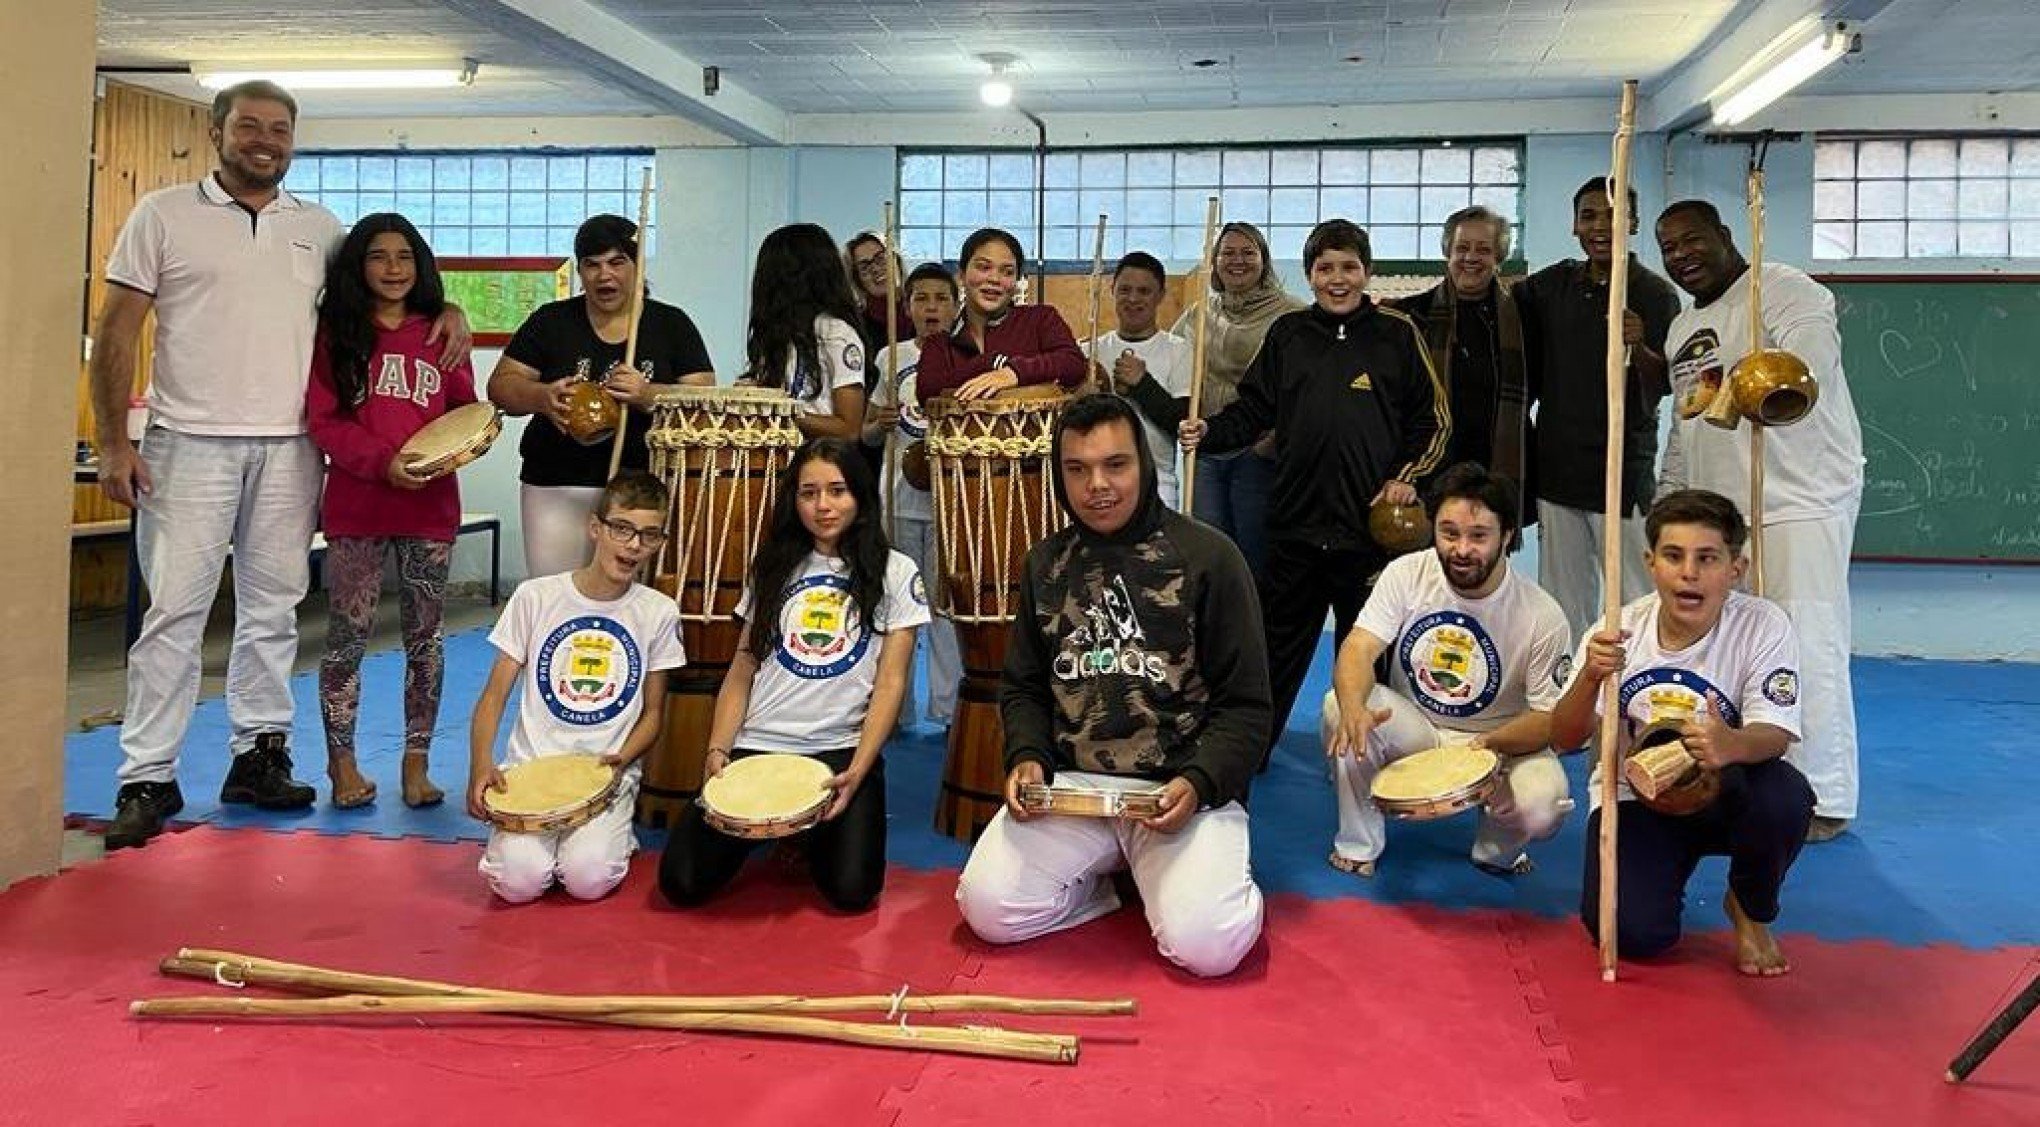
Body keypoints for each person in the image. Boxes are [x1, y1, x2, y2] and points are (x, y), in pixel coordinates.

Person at [90, 80, 470, 849]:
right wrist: (111, 441)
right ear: (216, 131)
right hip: (187, 441)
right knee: (175, 612)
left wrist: (448, 309)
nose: (264, 140)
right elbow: (118, 328)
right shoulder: (162, 214)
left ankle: (258, 753)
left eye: (279, 129)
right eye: (250, 127)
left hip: (292, 444)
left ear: (293, 140)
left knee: (273, 609)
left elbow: (382, 289)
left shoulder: (321, 228)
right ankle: (147, 774)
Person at [956, 394, 1270, 977]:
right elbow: (1022, 686)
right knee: (987, 910)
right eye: (1076, 469)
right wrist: (1025, 755)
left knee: (1208, 948)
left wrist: (1200, 782)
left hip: (1178, 786)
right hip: (1075, 787)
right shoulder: (1045, 563)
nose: (1096, 485)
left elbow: (1248, 709)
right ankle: (1099, 889)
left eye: (1115, 465)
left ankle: (1213, 876)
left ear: (1145, 464)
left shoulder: (1210, 558)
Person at [1180, 219, 1449, 763]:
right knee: (1276, 650)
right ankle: (1251, 751)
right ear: (1309, 275)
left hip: (1367, 535)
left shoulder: (1397, 334)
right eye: (1325, 268)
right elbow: (1254, 407)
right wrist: (1209, 431)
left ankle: (1365, 753)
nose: (1338, 279)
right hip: (1295, 528)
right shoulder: (1289, 335)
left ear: (1367, 272)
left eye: (1349, 267)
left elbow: (1435, 422)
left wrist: (1407, 477)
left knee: (1368, 655)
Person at [1656, 200, 1863, 842]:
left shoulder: (1783, 289)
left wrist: (1747, 385)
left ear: (1725, 235)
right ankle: (1753, 783)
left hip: (1799, 499)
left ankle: (1823, 796)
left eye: (1693, 239)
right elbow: (1685, 425)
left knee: (1807, 639)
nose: (1681, 254)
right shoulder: (1682, 328)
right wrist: (1671, 497)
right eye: (1667, 247)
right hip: (1726, 511)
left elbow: (1807, 368)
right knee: (1740, 649)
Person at [1551, 489, 1814, 976]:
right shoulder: (1616, 629)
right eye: (1673, 556)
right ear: (1651, 563)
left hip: (1727, 791)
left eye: (1707, 558)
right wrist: (1590, 678)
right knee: (1633, 936)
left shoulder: (1763, 624)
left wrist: (1729, 744)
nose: (1688, 572)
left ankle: (1750, 907)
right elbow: (1564, 739)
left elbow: (1776, 734)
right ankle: (1661, 874)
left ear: (1736, 568)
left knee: (1786, 798)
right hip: (1639, 799)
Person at [659, 439, 925, 911]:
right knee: (681, 882)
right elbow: (743, 667)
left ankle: (801, 833)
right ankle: (788, 829)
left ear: (861, 495)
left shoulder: (896, 571)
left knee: (852, 892)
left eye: (838, 491)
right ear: (794, 499)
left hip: (838, 750)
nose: (823, 505)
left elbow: (890, 683)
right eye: (809, 493)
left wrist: (859, 768)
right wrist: (719, 750)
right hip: (760, 742)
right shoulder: (774, 565)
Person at [1321, 462, 1573, 877]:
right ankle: (1359, 842)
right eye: (1449, 532)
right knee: (1339, 706)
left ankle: (1497, 850)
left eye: (1478, 536)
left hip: (1498, 742)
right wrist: (1353, 707)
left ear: (1507, 536)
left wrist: (1487, 749)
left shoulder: (1542, 615)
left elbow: (1550, 719)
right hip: (1417, 727)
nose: (1461, 549)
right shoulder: (1407, 573)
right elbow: (1359, 647)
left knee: (1543, 805)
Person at [305, 213, 475, 810]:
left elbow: (466, 414)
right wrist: (384, 463)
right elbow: (323, 421)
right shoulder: (336, 334)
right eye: (378, 256)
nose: (394, 268)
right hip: (358, 508)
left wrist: (454, 451)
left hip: (430, 508)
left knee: (425, 639)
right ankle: (342, 764)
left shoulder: (442, 334)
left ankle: (416, 762)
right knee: (346, 639)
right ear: (358, 266)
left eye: (405, 256)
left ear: (421, 263)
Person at [468, 473, 685, 904]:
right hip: (530, 771)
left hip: (605, 776)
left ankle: (612, 835)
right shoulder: (536, 596)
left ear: (660, 542)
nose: (633, 545)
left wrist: (622, 758)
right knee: (518, 885)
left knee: (587, 881)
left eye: (648, 535)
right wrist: (480, 765)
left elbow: (654, 713)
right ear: (595, 527)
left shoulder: (658, 612)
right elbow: (494, 696)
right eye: (621, 528)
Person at [487, 214, 714, 579]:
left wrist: (648, 394)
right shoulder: (551, 320)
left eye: (616, 262)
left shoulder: (671, 325)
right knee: (556, 591)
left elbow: (703, 399)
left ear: (637, 266)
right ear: (580, 271)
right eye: (592, 265)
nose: (603, 275)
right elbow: (501, 386)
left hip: (644, 486)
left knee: (635, 601)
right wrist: (542, 397)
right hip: (557, 482)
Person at [1516, 177, 1682, 637]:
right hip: (1558, 471)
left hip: (1622, 473)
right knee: (1561, 597)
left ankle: (1633, 690)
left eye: (1613, 215)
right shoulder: (1553, 286)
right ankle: (1567, 690)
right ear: (1574, 225)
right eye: (1589, 215)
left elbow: (1667, 383)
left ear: (1633, 223)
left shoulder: (1654, 293)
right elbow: (1499, 299)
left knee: (1634, 596)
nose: (1601, 225)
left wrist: (1641, 345)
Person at [1169, 222, 1307, 573]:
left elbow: (1304, 389)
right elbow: (1173, 365)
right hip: (1206, 449)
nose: (1237, 260)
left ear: (1264, 260)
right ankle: (1219, 628)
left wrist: (1277, 439)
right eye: (1227, 253)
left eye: (1248, 252)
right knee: (1211, 553)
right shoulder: (1200, 313)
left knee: (1255, 555)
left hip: (1258, 451)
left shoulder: (1290, 315)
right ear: (1214, 262)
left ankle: (1260, 627)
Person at [863, 262, 963, 726]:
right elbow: (863, 433)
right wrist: (875, 425)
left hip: (950, 502)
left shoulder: (968, 354)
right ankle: (894, 713)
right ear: (907, 308)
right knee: (896, 606)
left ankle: (946, 711)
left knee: (945, 610)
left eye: (942, 299)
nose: (932, 308)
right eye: (921, 299)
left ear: (957, 305)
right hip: (898, 500)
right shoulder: (889, 356)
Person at [1395, 206, 1533, 524]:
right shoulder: (1412, 315)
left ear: (1498, 257)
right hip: (1430, 469)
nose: (1471, 258)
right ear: (1447, 252)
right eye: (1462, 248)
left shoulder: (1525, 317)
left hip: (1498, 468)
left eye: (1484, 249)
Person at [913, 227, 1087, 402]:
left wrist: (1014, 373)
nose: (995, 279)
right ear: (962, 275)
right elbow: (927, 390)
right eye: (983, 267)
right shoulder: (940, 341)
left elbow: (1074, 363)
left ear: (1017, 281)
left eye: (1007, 272)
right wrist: (990, 363)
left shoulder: (1040, 319)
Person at [1086, 252, 1194, 508]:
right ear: (1112, 290)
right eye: (1125, 290)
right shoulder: (1089, 351)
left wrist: (1143, 385)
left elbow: (1180, 424)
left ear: (1160, 296)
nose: (1133, 299)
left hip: (1157, 483)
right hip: (1098, 481)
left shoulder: (1180, 350)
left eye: (1144, 291)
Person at [743, 223, 868, 441]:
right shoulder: (778, 334)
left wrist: (776, 412)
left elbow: (849, 429)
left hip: (819, 463)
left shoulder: (835, 332)